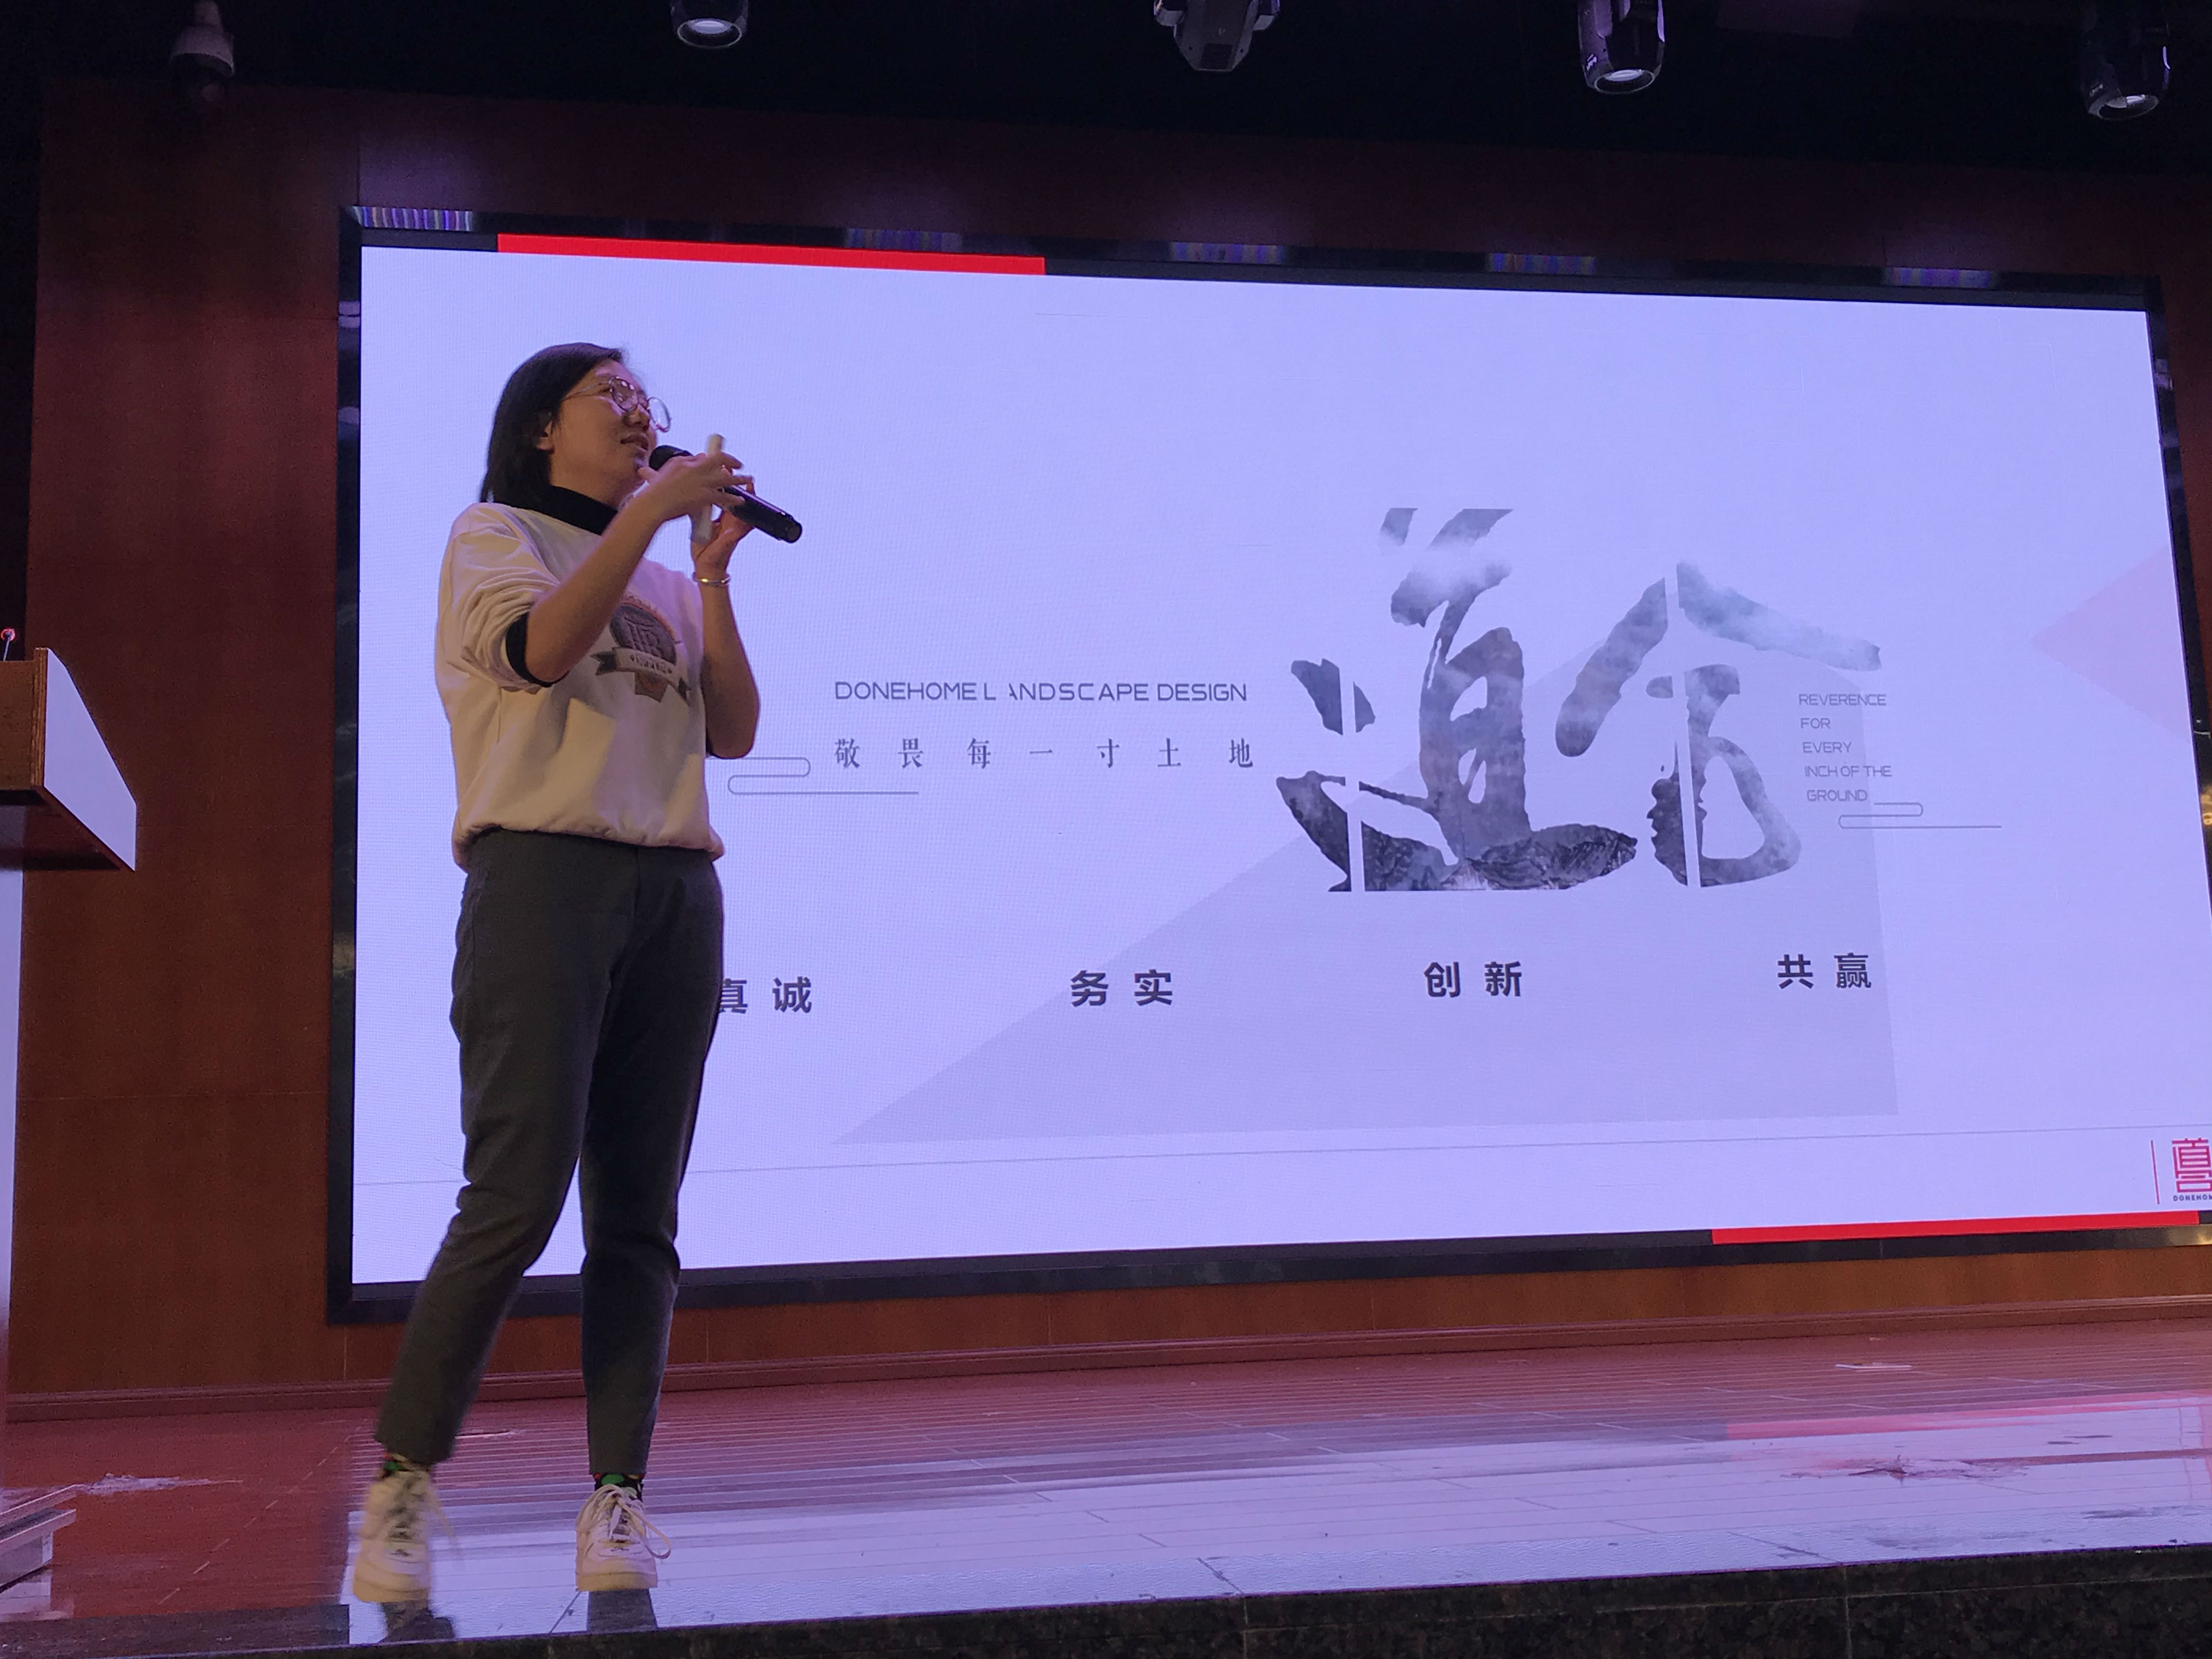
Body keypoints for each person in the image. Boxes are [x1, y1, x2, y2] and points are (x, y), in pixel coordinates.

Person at [349, 343, 761, 1601]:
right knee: (515, 1196)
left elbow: (734, 730)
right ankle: (402, 1485)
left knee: (638, 1216)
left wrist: (708, 574)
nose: (639, 415)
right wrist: (650, 515)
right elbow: (535, 652)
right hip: (542, 875)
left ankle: (617, 1500)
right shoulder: (496, 534)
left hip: (675, 889)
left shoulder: (665, 573)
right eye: (612, 396)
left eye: (648, 404)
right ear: (540, 425)